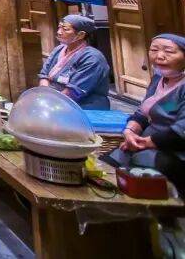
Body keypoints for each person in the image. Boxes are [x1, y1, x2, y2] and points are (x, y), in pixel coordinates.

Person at [104, 34, 185, 192]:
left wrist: (145, 143)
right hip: (144, 142)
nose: (159, 56)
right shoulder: (158, 79)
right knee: (107, 165)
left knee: (139, 168)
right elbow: (143, 112)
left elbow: (181, 131)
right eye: (154, 50)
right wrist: (129, 131)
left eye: (169, 51)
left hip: (175, 149)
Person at [37, 14, 111, 109]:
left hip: (83, 106)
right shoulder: (58, 49)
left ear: (81, 35)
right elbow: (44, 75)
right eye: (59, 27)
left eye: (65, 29)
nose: (59, 32)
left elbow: (74, 92)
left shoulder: (92, 58)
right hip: (55, 101)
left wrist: (50, 105)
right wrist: (44, 96)